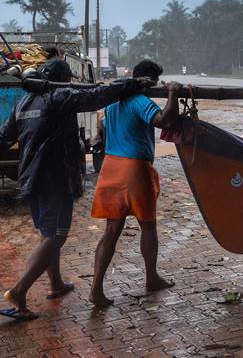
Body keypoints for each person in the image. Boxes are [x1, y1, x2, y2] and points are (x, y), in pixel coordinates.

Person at [0, 59, 154, 321]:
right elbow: (96, 96)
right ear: (62, 79)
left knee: (48, 233)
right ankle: (18, 291)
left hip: (30, 179)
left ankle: (56, 283)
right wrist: (130, 84)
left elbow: (5, 137)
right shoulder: (58, 96)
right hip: (54, 179)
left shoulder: (23, 103)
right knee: (56, 236)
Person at [89, 60, 183, 308]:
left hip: (110, 168)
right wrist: (173, 93)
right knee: (148, 227)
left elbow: (103, 128)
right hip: (134, 169)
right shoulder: (141, 101)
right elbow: (164, 120)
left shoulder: (111, 102)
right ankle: (151, 278)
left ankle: (96, 289)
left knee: (111, 231)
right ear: (150, 82)